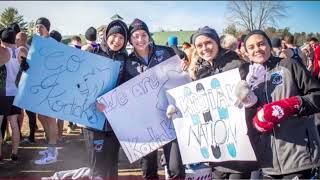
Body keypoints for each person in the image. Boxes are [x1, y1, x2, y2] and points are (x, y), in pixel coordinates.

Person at [240, 30, 320, 179]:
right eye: (251, 47)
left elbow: (317, 96)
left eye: (261, 44)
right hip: (268, 164)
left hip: (299, 156)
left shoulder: (289, 65)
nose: (257, 49)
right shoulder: (247, 77)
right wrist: (250, 106)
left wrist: (291, 105)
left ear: (270, 46)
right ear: (247, 53)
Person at [186, 26, 259, 179]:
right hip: (217, 148)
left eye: (208, 42)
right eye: (199, 46)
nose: (204, 48)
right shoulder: (201, 71)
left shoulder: (237, 65)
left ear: (217, 42)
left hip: (239, 145)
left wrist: (249, 97)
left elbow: (255, 99)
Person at [126, 18, 185, 179]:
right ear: (130, 40)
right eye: (135, 36)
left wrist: (184, 63)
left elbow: (181, 73)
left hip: (169, 115)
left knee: (176, 167)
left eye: (143, 35)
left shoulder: (165, 52)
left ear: (149, 36)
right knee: (148, 168)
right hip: (145, 121)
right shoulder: (128, 62)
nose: (140, 39)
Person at [86, 19, 129, 179]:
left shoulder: (125, 58)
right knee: (97, 166)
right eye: (114, 36)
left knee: (112, 164)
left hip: (114, 121)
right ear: (106, 36)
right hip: (93, 121)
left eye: (121, 38)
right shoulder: (92, 53)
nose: (117, 41)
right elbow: (76, 82)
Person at [32, 17, 59, 165]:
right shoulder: (37, 42)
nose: (38, 28)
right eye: (36, 26)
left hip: (51, 86)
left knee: (50, 119)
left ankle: (52, 152)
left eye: (41, 26)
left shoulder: (52, 43)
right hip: (40, 86)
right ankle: (51, 146)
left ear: (47, 28)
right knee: (41, 117)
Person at [0, 27, 28, 161]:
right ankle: (15, 153)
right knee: (14, 124)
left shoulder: (1, 52)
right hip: (16, 93)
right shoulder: (21, 51)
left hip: (2, 93)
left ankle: (0, 155)